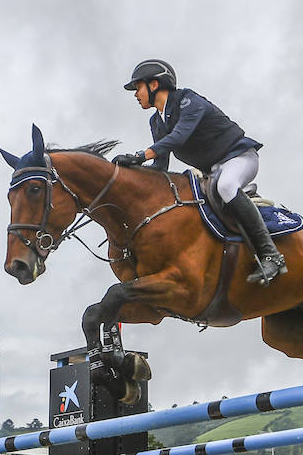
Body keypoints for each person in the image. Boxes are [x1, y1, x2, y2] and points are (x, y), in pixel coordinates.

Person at [113, 59, 287, 285]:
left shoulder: (188, 100)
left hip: (240, 158)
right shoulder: (156, 121)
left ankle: (271, 255)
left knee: (226, 186)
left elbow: (178, 137)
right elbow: (160, 167)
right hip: (212, 174)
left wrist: (139, 155)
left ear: (154, 84)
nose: (136, 95)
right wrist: (133, 172)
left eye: (138, 88)